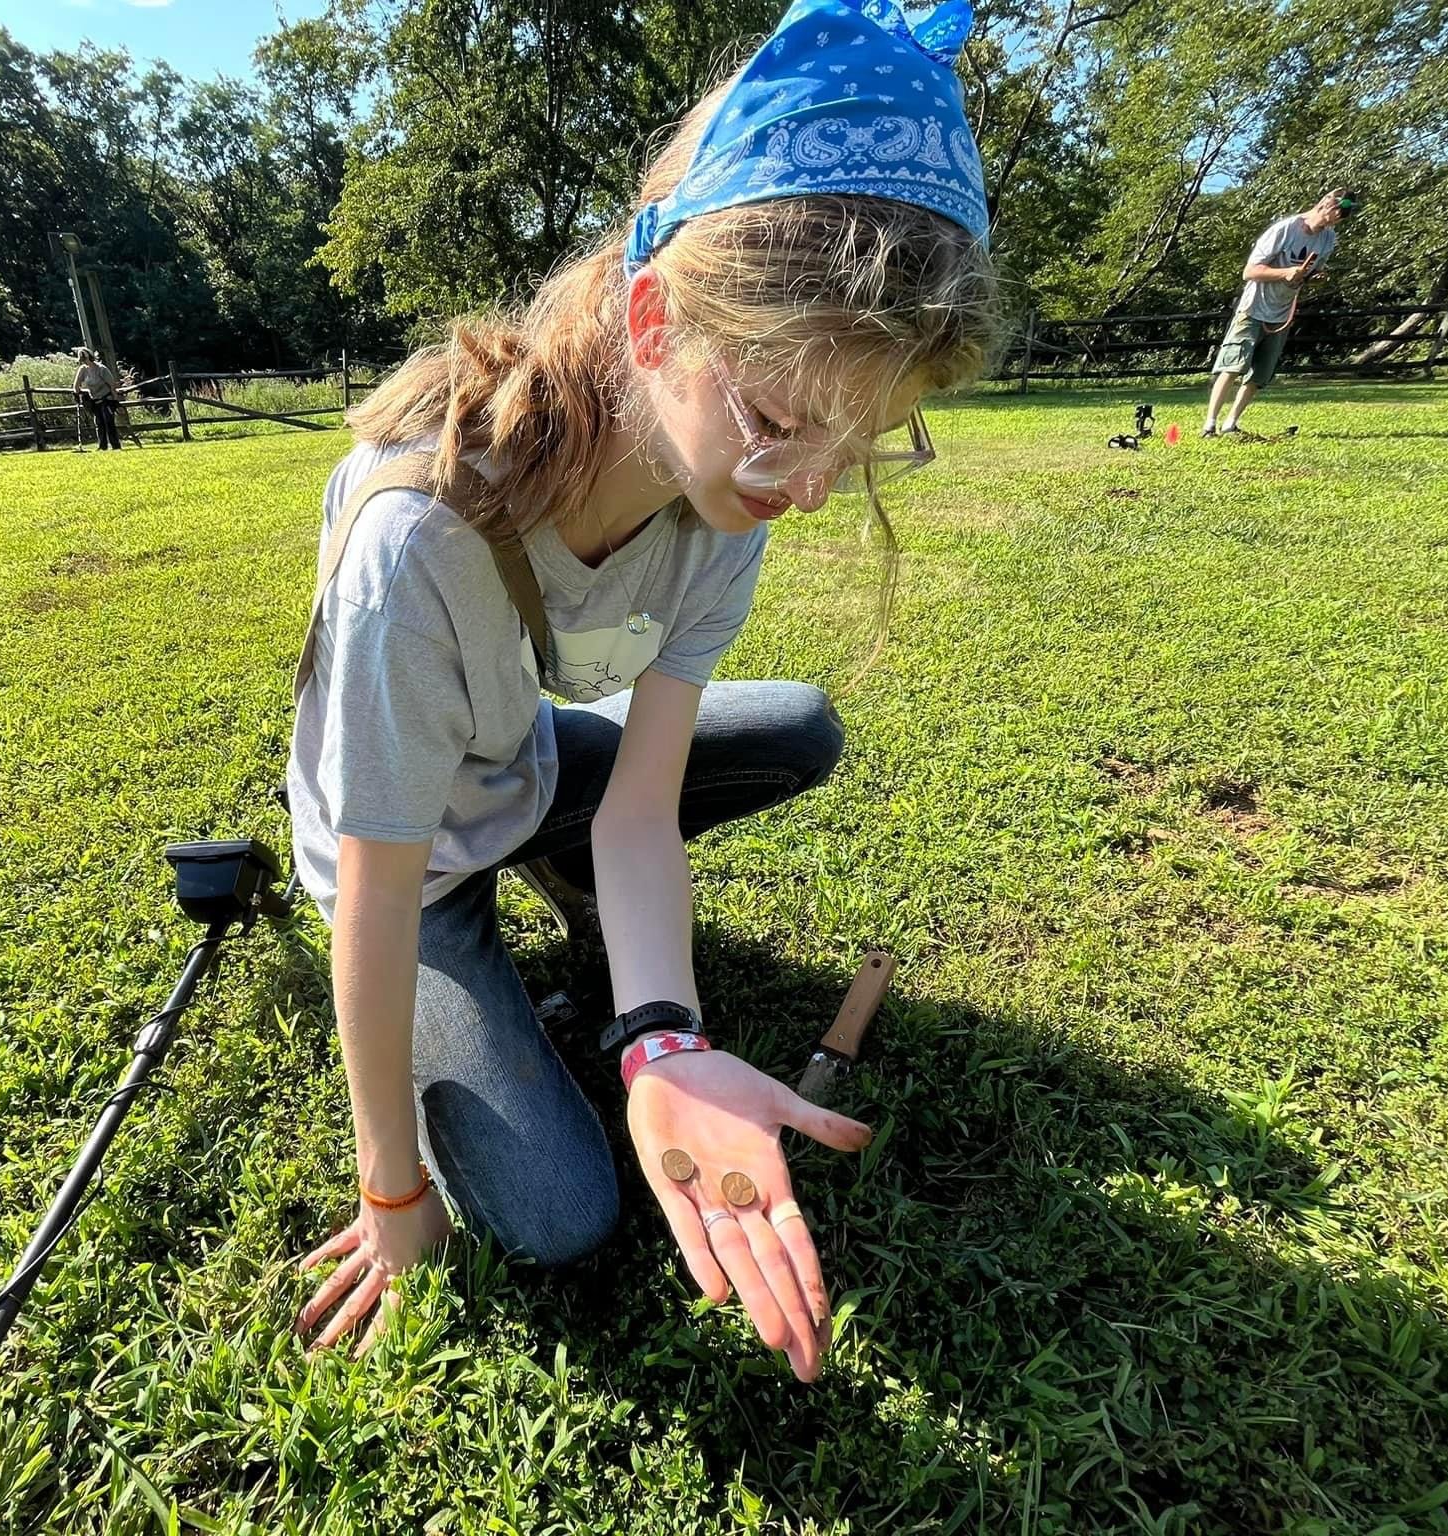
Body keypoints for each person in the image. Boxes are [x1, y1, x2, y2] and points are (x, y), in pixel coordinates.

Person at [284, 0, 998, 1386]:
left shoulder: (721, 504)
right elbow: (370, 897)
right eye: (783, 424)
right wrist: (390, 1192)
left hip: (528, 764)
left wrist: (659, 1038)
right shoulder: (415, 538)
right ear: (657, 317)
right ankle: (510, 925)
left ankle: (561, 903)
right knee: (559, 1219)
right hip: (412, 856)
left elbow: (644, 806)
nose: (800, 490)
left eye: (854, 448)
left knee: (794, 725)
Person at [1203, 189, 1359, 437]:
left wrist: (1314, 277)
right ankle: (1209, 425)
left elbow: (1310, 272)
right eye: (1336, 213)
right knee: (1233, 365)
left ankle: (1230, 423)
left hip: (1282, 312)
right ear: (1324, 204)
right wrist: (1284, 273)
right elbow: (1250, 271)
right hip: (1253, 308)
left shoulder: (1328, 238)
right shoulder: (1285, 229)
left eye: (1342, 217)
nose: (1336, 220)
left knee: (1260, 374)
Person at [72, 346, 121, 450]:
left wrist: (115, 400)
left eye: (84, 358)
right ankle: (102, 446)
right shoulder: (83, 370)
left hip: (107, 398)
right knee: (99, 422)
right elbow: (76, 385)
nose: (83, 361)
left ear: (89, 357)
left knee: (108, 421)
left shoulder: (101, 369)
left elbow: (112, 385)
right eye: (81, 359)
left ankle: (115, 445)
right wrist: (76, 393)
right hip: (94, 399)